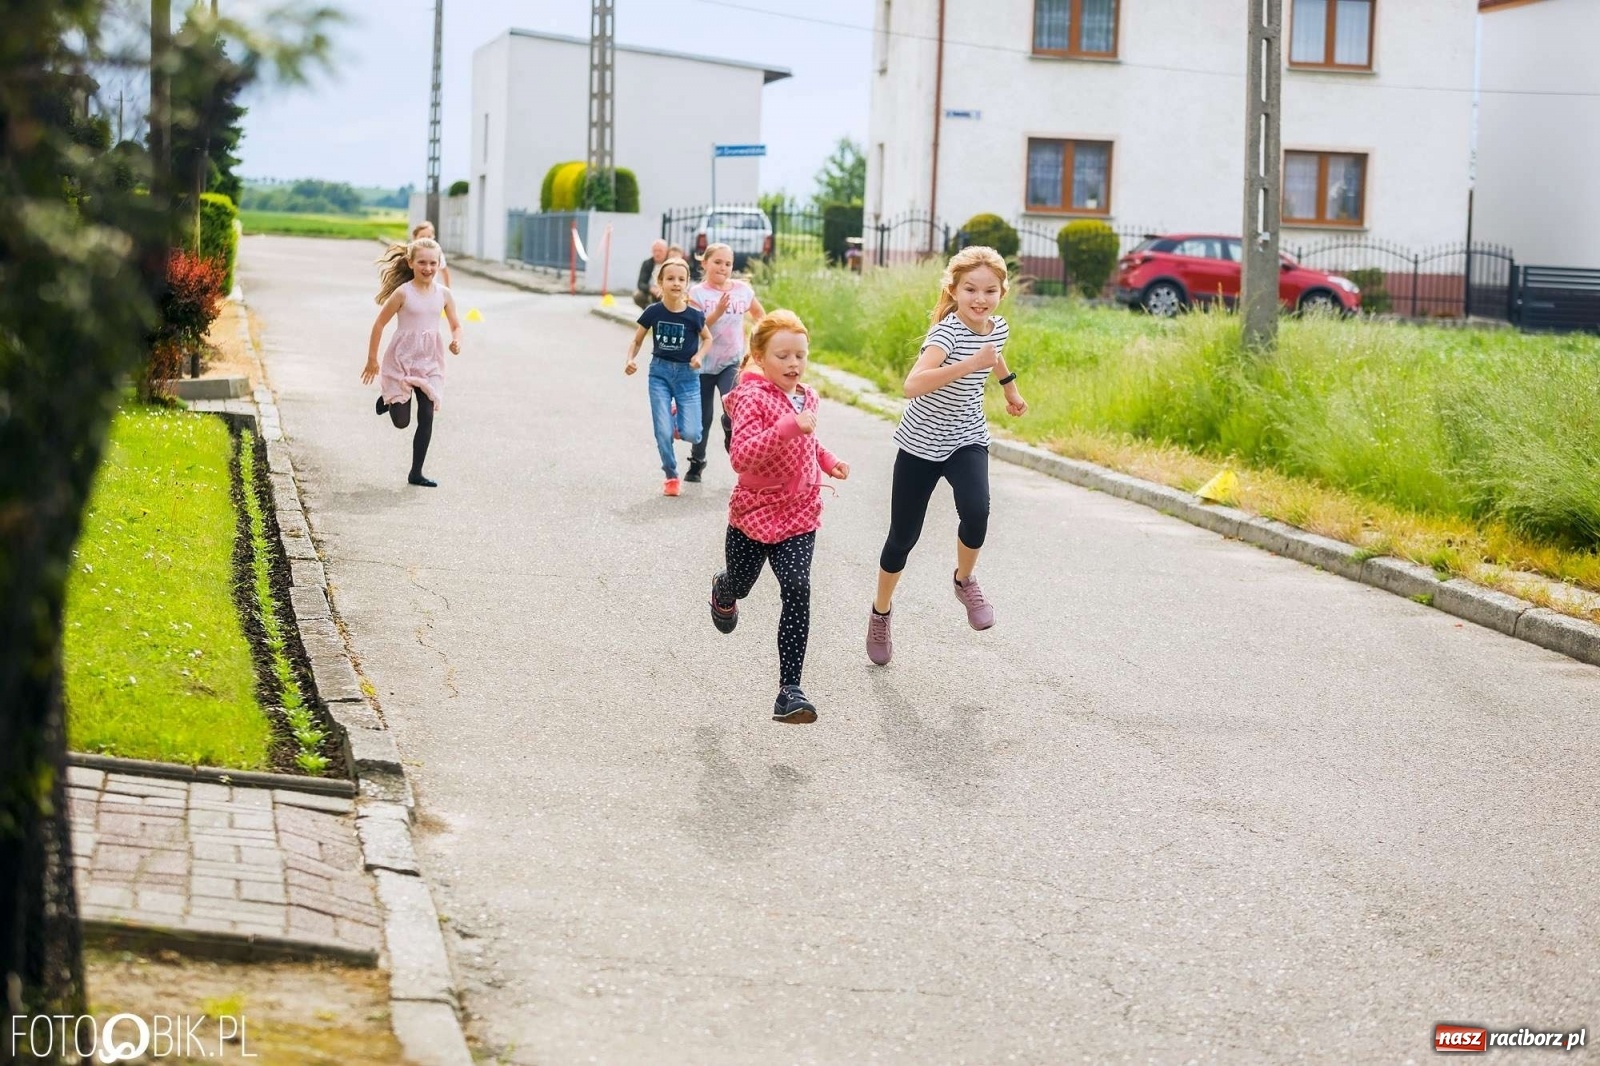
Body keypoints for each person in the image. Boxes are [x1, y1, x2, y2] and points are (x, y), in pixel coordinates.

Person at [865, 245, 1028, 665]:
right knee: (903, 538)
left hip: (967, 435)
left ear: (1001, 293)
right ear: (953, 290)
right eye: (970, 289)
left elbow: (995, 354)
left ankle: (964, 579)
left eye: (989, 290)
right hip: (920, 444)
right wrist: (969, 362)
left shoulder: (997, 326)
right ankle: (881, 613)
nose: (980, 298)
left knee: (977, 510)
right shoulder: (946, 334)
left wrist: (1009, 388)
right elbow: (911, 385)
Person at [711, 310, 849, 724]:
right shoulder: (751, 399)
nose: (794, 365)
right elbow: (742, 456)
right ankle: (725, 588)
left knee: (797, 586)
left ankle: (790, 690)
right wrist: (788, 427)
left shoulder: (807, 395)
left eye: (800, 356)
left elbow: (809, 437)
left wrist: (827, 460)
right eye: (783, 356)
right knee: (742, 583)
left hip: (799, 512)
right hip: (754, 512)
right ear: (759, 356)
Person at [363, 238, 462, 488]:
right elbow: (379, 324)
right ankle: (388, 397)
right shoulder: (402, 293)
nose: (427, 268)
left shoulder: (444, 294)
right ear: (411, 263)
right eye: (422, 263)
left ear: (439, 264)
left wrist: (456, 341)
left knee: (427, 415)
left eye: (432, 263)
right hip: (402, 360)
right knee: (401, 422)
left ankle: (416, 473)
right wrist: (372, 359)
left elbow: (456, 325)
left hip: (430, 362)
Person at [624, 257, 710, 496]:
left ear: (687, 283)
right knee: (662, 431)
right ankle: (671, 475)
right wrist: (630, 359)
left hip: (688, 375)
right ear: (660, 282)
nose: (676, 283)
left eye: (681, 279)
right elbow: (637, 340)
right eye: (670, 278)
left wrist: (700, 356)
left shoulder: (694, 315)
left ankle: (675, 418)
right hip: (659, 373)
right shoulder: (654, 311)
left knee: (693, 432)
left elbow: (708, 338)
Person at [686, 243, 765, 483]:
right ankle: (697, 461)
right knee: (703, 418)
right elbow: (697, 327)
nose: (723, 267)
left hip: (732, 361)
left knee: (735, 409)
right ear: (705, 263)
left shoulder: (742, 290)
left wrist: (761, 344)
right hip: (702, 363)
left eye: (728, 264)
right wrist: (718, 312)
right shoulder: (697, 293)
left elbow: (761, 317)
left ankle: (740, 456)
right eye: (717, 262)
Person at [410, 221, 453, 288]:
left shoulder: (437, 253)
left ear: (433, 237)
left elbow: (444, 271)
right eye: (422, 237)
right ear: (415, 237)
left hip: (430, 289)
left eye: (429, 236)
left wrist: (448, 289)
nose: (426, 239)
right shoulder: (410, 252)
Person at [634, 239, 668, 309]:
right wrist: (651, 289)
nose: (657, 254)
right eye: (655, 251)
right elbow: (640, 283)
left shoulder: (670, 263)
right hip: (651, 292)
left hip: (666, 291)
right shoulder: (647, 263)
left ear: (666, 251)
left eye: (660, 251)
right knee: (638, 295)